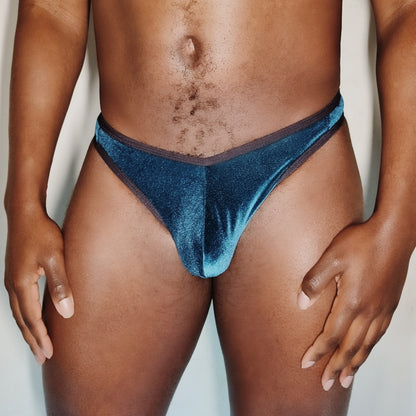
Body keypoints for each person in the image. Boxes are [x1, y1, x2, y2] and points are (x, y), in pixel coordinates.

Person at [3, 0, 416, 414]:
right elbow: (51, 10)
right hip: (127, 171)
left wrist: (398, 228)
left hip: (295, 167)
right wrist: (22, 203)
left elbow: (405, 11)